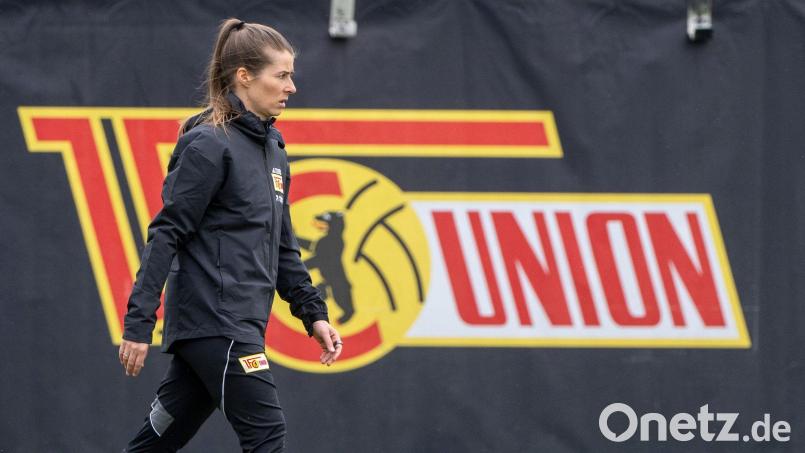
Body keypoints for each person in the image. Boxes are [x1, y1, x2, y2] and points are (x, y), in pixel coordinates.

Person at [119, 18, 342, 452]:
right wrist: (139, 324)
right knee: (266, 433)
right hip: (218, 325)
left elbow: (283, 248)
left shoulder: (273, 149)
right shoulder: (208, 145)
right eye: (281, 75)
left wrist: (313, 314)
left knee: (153, 444)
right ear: (244, 77)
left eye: (290, 75)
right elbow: (166, 233)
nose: (291, 86)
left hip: (230, 327)